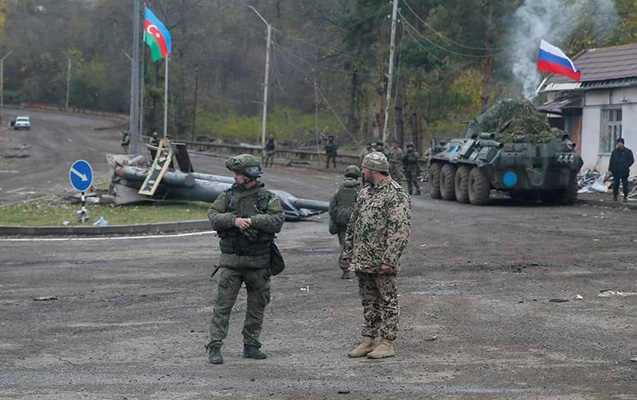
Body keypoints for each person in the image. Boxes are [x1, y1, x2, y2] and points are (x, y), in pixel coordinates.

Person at [206, 154, 285, 364]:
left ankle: (251, 345)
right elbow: (213, 216)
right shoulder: (228, 196)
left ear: (249, 175)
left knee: (257, 306)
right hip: (232, 263)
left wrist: (252, 221)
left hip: (258, 264)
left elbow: (278, 220)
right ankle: (214, 346)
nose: (234, 177)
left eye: (238, 174)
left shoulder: (267, 197)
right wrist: (234, 220)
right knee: (223, 306)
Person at [343, 152, 411, 359]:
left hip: (382, 261)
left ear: (373, 170)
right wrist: (348, 251)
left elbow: (399, 230)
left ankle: (387, 343)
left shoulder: (395, 194)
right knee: (369, 300)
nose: (362, 172)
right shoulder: (365, 193)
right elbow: (353, 223)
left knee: (388, 301)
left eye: (364, 169)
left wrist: (389, 260)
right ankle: (368, 340)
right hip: (363, 259)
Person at [329, 165, 362, 280]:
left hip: (342, 223)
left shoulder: (339, 191)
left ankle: (345, 270)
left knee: (344, 246)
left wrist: (335, 220)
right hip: (356, 223)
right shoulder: (360, 191)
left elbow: (332, 208)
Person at [608, 138, 634, 202]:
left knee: (625, 184)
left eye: (620, 143)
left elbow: (631, 160)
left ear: (623, 143)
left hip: (624, 171)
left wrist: (626, 165)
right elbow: (611, 161)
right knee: (616, 184)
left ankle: (625, 197)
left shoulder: (628, 151)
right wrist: (610, 169)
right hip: (616, 171)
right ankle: (615, 197)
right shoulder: (615, 152)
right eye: (618, 143)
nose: (619, 144)